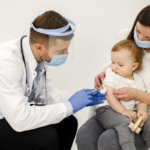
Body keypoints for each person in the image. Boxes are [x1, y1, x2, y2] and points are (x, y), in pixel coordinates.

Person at [0, 10, 106, 150]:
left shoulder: (39, 56)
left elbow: (46, 95)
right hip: (7, 119)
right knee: (47, 137)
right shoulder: (7, 62)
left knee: (68, 122)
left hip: (14, 116)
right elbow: (19, 119)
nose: (66, 53)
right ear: (39, 47)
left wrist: (77, 98)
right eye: (61, 51)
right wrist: (69, 105)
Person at [76, 5, 150, 150]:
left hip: (142, 113)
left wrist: (137, 95)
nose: (139, 39)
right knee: (84, 135)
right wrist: (105, 72)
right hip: (113, 109)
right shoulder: (124, 36)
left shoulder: (140, 81)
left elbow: (141, 101)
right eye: (137, 31)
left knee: (109, 140)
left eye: (148, 38)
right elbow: (112, 64)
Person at [96, 39, 150, 150]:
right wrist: (124, 111)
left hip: (127, 112)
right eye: (113, 62)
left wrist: (142, 111)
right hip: (107, 109)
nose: (114, 67)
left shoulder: (138, 80)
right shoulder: (111, 74)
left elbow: (141, 100)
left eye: (120, 64)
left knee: (146, 121)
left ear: (134, 66)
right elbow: (109, 95)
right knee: (125, 124)